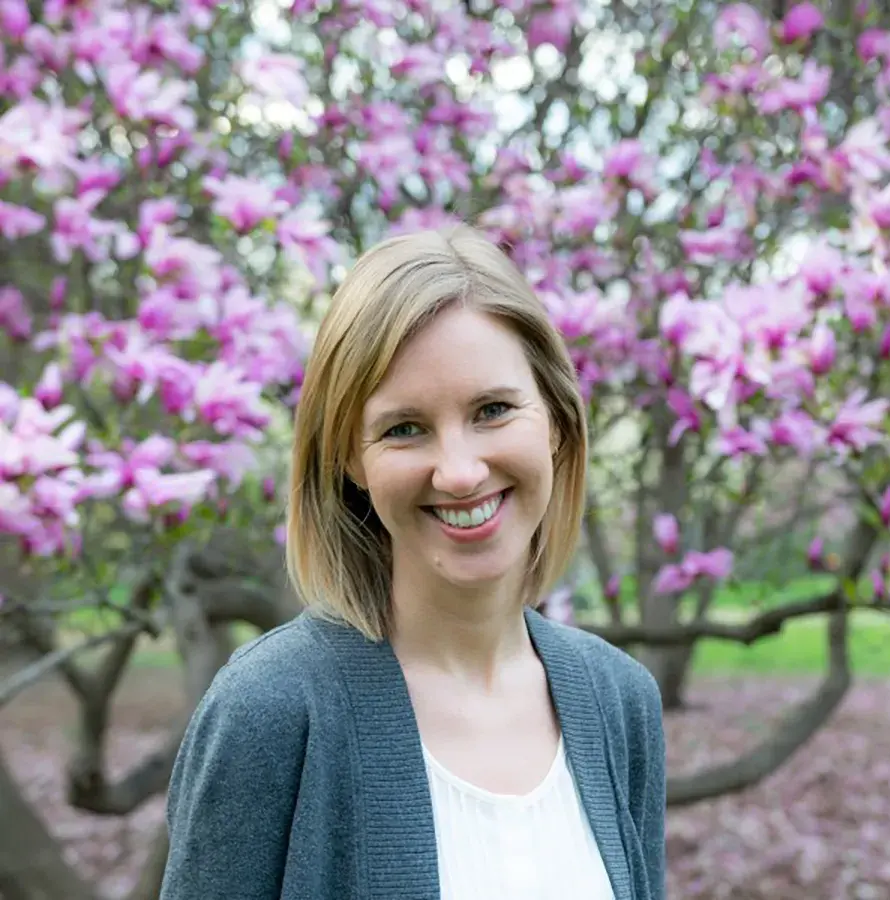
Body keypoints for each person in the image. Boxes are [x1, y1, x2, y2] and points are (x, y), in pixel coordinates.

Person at [160, 224, 666, 900]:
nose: (459, 472)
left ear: (555, 424)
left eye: (492, 410)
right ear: (349, 457)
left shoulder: (619, 702)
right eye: (405, 429)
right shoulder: (270, 712)